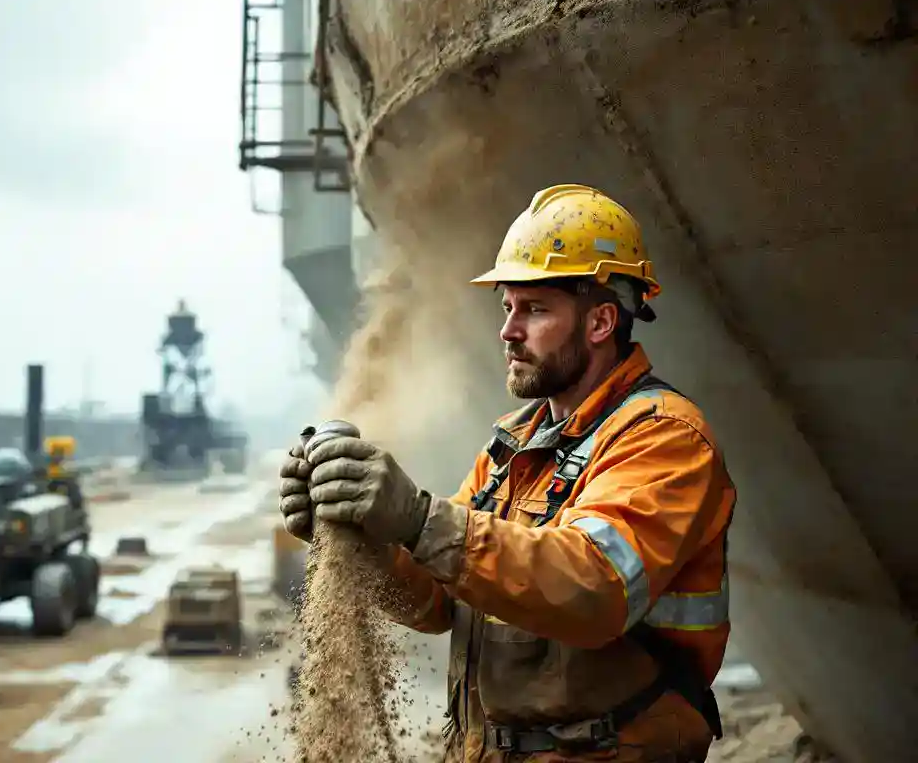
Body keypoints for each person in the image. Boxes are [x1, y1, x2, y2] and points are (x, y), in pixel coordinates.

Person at [279, 184, 737, 762]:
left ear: (600, 322)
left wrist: (418, 518)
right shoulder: (515, 444)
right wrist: (365, 538)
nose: (508, 331)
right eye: (507, 308)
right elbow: (437, 603)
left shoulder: (664, 436)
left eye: (535, 310)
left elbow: (595, 588)